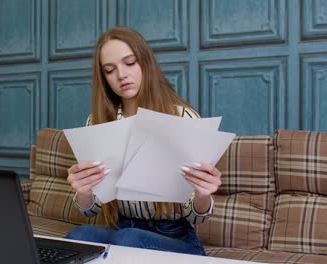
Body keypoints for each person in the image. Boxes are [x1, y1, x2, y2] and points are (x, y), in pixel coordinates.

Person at [65, 26, 222, 256]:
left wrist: (202, 194)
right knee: (79, 237)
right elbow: (91, 210)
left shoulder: (183, 117)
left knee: (128, 238)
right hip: (122, 228)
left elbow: (197, 216)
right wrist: (84, 192)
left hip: (175, 237)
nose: (121, 75)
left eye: (130, 63)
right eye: (110, 70)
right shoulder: (97, 123)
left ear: (145, 63)